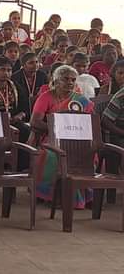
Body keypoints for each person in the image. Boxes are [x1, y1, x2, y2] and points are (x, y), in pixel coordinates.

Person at [30, 65, 92, 209]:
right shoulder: (46, 96)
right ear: (56, 81)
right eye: (66, 79)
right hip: (51, 138)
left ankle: (80, 196)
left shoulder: (80, 100)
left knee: (89, 154)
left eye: (73, 80)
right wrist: (57, 129)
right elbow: (35, 122)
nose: (70, 82)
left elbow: (90, 122)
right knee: (52, 155)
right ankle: (53, 195)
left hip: (76, 140)